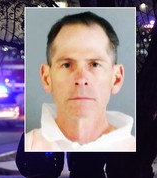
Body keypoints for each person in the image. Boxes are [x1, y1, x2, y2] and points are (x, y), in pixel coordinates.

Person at [25, 11, 135, 152]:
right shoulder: (28, 145)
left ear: (116, 78)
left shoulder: (137, 152)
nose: (81, 79)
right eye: (66, 64)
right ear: (47, 78)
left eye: (95, 64)